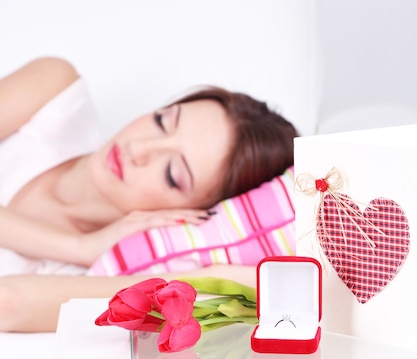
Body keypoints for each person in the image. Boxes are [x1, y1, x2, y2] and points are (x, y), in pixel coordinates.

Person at [0, 57, 297, 332]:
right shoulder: (56, 98)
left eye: (172, 174)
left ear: (196, 213)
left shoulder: (84, 277)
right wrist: (78, 246)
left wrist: (207, 280)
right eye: (161, 122)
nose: (139, 149)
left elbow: (10, 303)